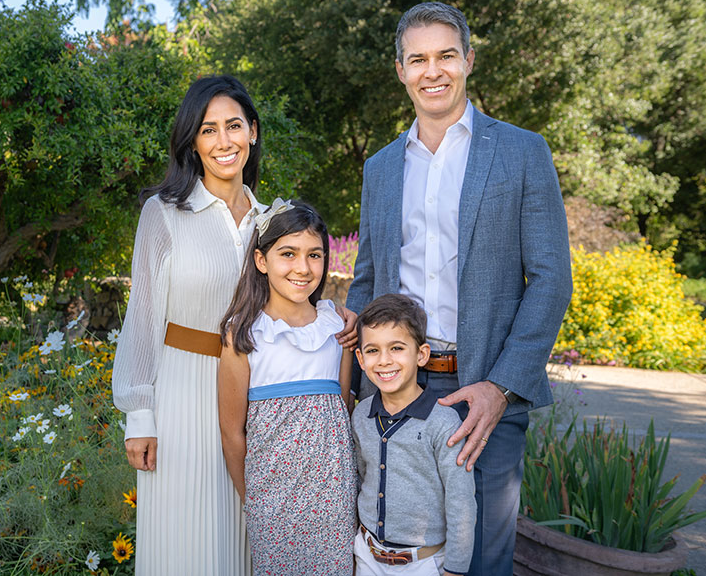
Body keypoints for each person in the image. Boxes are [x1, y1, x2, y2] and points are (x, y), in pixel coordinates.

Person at [346, 2, 572, 576]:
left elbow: (551, 279)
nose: (433, 70)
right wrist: (350, 385)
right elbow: (367, 283)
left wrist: (500, 387)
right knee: (400, 555)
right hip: (398, 390)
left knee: (482, 562)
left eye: (446, 55)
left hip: (484, 395)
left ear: (468, 60)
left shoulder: (522, 151)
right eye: (417, 59)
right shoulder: (380, 168)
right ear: (400, 70)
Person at [111, 75, 357, 575]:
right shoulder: (163, 213)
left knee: (252, 536)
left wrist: (341, 316)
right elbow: (142, 317)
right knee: (186, 537)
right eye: (208, 129)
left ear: (254, 133)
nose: (224, 141)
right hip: (181, 392)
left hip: (260, 400)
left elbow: (297, 295)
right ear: (192, 141)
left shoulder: (272, 221)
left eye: (234, 126)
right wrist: (140, 414)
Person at [217, 200, 358, 576]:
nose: (303, 267)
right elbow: (232, 433)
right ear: (262, 261)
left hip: (334, 502)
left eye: (315, 255)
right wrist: (253, 501)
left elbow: (340, 411)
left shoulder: (337, 328)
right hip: (273, 504)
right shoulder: (244, 335)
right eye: (288, 254)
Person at [351, 293, 475, 576]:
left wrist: (455, 569)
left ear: (421, 354)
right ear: (360, 358)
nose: (384, 361)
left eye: (396, 348)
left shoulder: (443, 423)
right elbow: (361, 476)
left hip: (423, 564)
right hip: (368, 556)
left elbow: (461, 502)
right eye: (372, 351)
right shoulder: (360, 416)